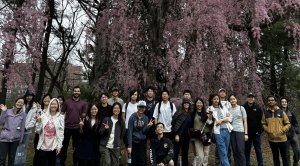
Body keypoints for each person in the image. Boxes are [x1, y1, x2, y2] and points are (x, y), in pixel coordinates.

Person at [61, 86, 87, 166]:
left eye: (78, 91)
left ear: (80, 92)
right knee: (64, 146)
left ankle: (75, 163)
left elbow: (84, 114)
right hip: (67, 127)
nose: (76, 92)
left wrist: (82, 121)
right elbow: (62, 114)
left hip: (77, 128)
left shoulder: (83, 103)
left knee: (76, 147)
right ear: (73, 92)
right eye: (75, 91)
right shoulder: (67, 102)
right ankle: (62, 162)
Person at [261, 95, 291, 166]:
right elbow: (263, 123)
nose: (271, 101)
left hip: (282, 139)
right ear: (267, 102)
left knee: (285, 157)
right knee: (275, 157)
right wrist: (267, 129)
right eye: (269, 100)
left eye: (272, 100)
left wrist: (282, 130)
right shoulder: (265, 113)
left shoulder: (281, 112)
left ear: (275, 102)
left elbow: (288, 124)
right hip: (272, 139)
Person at [35, 98, 64, 166]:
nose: (53, 106)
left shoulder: (61, 117)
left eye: (55, 104)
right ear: (49, 105)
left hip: (53, 144)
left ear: (58, 106)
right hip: (43, 144)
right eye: (52, 104)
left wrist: (59, 146)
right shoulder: (43, 115)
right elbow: (38, 131)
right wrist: (39, 122)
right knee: (41, 163)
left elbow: (61, 133)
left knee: (52, 163)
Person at [0, 97, 26, 166]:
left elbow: (23, 127)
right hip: (5, 138)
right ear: (15, 102)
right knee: (2, 158)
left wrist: (21, 139)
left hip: (15, 139)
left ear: (23, 104)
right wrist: (3, 111)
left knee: (12, 158)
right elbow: (1, 122)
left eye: (21, 103)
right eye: (18, 102)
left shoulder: (23, 114)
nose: (19, 103)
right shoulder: (8, 111)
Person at [127, 100, 154, 166]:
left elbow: (144, 132)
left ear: (145, 108)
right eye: (140, 107)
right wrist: (129, 146)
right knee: (133, 161)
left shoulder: (146, 118)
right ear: (137, 107)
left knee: (142, 160)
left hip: (142, 142)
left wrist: (148, 127)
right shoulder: (132, 117)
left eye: (143, 107)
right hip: (134, 141)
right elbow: (130, 131)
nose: (141, 109)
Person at [208, 94, 232, 166]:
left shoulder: (223, 107)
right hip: (218, 132)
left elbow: (230, 118)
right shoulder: (209, 108)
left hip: (227, 130)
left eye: (217, 99)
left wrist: (221, 120)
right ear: (212, 100)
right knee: (223, 152)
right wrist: (210, 115)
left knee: (225, 151)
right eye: (214, 99)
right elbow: (209, 122)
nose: (216, 100)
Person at [190, 98, 213, 166]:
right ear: (195, 104)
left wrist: (210, 115)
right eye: (198, 103)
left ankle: (204, 165)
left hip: (206, 135)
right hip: (197, 136)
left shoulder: (206, 113)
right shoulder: (193, 113)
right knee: (199, 155)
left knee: (206, 153)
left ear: (203, 104)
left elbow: (210, 122)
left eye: (200, 103)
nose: (199, 104)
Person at [243, 93, 264, 166]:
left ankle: (260, 164)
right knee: (247, 151)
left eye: (252, 97)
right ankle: (247, 164)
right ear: (247, 98)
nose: (250, 98)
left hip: (256, 134)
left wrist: (260, 131)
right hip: (247, 134)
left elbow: (262, 120)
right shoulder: (243, 107)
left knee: (258, 150)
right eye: (249, 97)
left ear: (254, 98)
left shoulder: (257, 108)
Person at [228, 94, 248, 166]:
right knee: (235, 151)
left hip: (240, 131)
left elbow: (245, 121)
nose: (232, 100)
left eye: (234, 99)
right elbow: (228, 121)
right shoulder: (228, 110)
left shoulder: (241, 108)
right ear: (229, 101)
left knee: (240, 151)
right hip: (232, 132)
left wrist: (246, 134)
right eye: (231, 99)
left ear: (236, 100)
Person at [33, 94, 52, 166]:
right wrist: (38, 110)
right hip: (39, 135)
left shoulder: (53, 110)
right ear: (43, 100)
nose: (47, 99)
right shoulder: (40, 110)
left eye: (48, 98)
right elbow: (36, 122)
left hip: (48, 137)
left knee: (46, 154)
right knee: (37, 153)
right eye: (45, 98)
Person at [171, 99, 192, 166]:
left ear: (189, 105)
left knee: (185, 154)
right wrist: (176, 134)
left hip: (186, 137)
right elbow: (174, 123)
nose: (186, 104)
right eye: (185, 103)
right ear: (183, 105)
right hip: (178, 136)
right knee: (175, 153)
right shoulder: (179, 112)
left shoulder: (190, 114)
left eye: (187, 103)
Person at [280, 97, 300, 166]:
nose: (284, 103)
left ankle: (295, 162)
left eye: (285, 102)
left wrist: (296, 129)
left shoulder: (291, 113)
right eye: (282, 102)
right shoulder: (278, 113)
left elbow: (295, 123)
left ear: (287, 103)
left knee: (297, 151)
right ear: (280, 103)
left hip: (293, 135)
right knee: (286, 153)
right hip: (284, 136)